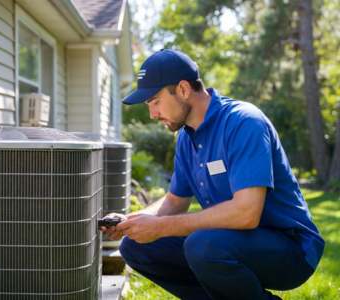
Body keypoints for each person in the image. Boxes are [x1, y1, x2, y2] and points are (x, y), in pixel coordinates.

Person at [101, 49, 324, 300]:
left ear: (183, 90)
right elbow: (175, 201)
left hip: (290, 249)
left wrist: (161, 226)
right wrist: (132, 221)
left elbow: (246, 214)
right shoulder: (186, 138)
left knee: (203, 246)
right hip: (232, 242)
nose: (152, 113)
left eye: (155, 101)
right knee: (136, 247)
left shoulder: (244, 122)